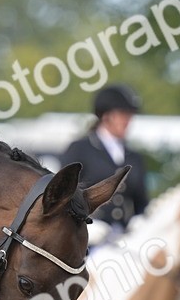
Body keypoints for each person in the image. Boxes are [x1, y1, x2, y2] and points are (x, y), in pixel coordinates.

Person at [59, 84, 148, 237]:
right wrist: (84, 223)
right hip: (87, 237)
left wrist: (141, 219)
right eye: (123, 115)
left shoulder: (134, 157)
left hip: (125, 236)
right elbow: (64, 196)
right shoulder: (79, 149)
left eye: (130, 115)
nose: (128, 121)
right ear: (106, 116)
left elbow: (141, 201)